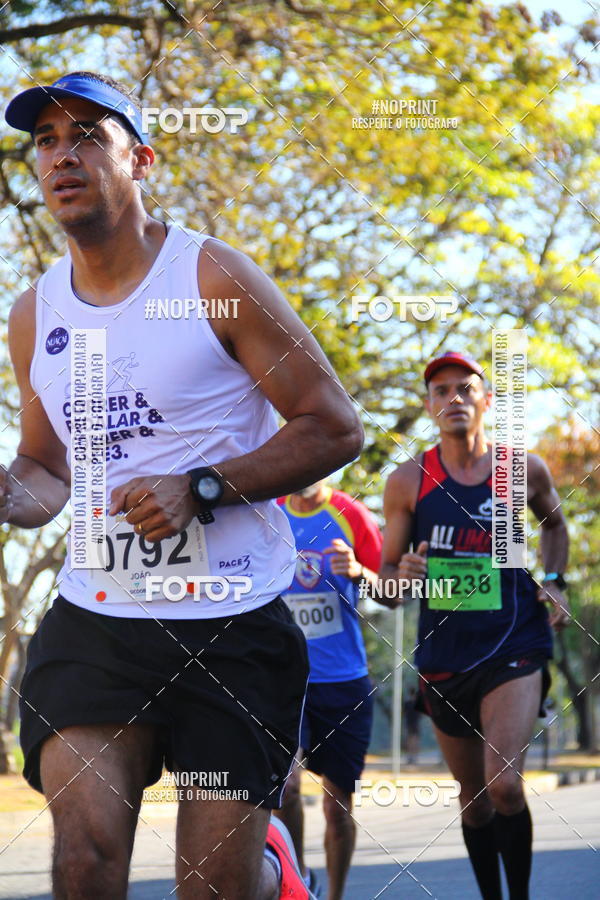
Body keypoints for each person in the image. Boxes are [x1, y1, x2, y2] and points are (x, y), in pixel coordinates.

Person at [2, 71, 364, 899]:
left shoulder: (211, 277)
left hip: (232, 621)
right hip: (98, 617)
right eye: (47, 141)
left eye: (89, 135)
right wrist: (7, 494)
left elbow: (334, 425)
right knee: (84, 860)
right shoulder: (33, 316)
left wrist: (202, 487)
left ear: (142, 160)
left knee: (212, 885)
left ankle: (269, 869)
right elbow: (47, 470)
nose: (64, 154)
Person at [380, 351, 570, 900]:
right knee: (474, 796)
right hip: (445, 654)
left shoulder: (520, 471)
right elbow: (389, 588)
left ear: (487, 400)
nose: (454, 398)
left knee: (503, 783)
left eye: (466, 388)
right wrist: (403, 575)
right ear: (428, 407)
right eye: (441, 392)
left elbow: (554, 524)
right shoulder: (408, 481)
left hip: (515, 641)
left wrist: (554, 579)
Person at [274, 480, 384, 900]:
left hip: (343, 680)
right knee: (285, 786)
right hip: (284, 678)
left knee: (338, 806)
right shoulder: (270, 511)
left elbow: (392, 593)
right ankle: (299, 881)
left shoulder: (352, 515)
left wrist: (359, 571)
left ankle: (335, 894)